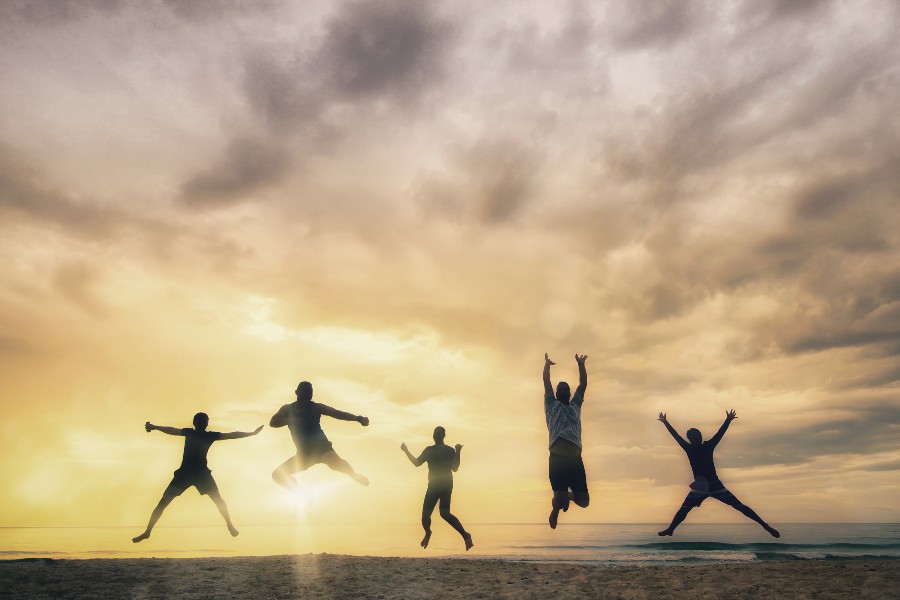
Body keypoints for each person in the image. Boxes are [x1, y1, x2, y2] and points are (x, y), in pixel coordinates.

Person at [132, 413, 263, 543]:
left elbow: (232, 434)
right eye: (198, 421)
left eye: (203, 421)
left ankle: (229, 525)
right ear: (194, 423)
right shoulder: (189, 433)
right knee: (163, 503)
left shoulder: (210, 435)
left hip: (202, 475)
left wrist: (251, 433)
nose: (201, 423)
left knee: (218, 500)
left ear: (207, 423)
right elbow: (172, 430)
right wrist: (155, 427)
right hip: (184, 474)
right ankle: (147, 532)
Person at [657, 410, 780, 538]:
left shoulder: (708, 446)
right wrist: (666, 422)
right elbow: (675, 435)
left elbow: (719, 434)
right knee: (684, 509)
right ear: (690, 439)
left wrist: (728, 420)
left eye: (696, 437)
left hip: (714, 484)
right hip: (699, 487)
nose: (694, 439)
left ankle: (766, 526)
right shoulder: (689, 448)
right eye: (692, 438)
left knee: (739, 506)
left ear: (700, 437)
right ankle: (671, 529)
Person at [270, 380, 370, 491]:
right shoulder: (287, 409)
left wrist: (358, 418)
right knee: (277, 475)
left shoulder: (315, 407)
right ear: (297, 392)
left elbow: (336, 413)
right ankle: (300, 492)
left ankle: (354, 475)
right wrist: (293, 420)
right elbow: (273, 422)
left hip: (322, 450)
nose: (308, 395)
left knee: (336, 464)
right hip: (303, 455)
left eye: (310, 392)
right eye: (305, 392)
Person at [401, 427, 474, 551]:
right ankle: (428, 532)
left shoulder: (450, 450)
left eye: (439, 434)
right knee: (424, 517)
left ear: (443, 435)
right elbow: (417, 463)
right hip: (433, 485)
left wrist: (458, 452)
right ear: (433, 435)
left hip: (446, 484)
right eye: (435, 433)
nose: (436, 436)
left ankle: (465, 535)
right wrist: (406, 451)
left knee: (444, 513)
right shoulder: (429, 450)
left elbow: (455, 468)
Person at [543, 352, 590, 529]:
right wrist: (547, 365)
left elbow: (583, 384)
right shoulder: (550, 404)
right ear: (556, 393)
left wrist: (581, 365)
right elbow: (546, 382)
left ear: (570, 393)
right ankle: (555, 510)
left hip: (575, 460)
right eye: (560, 389)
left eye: (566, 389)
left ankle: (567, 497)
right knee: (560, 501)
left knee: (584, 502)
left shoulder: (576, 404)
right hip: (557, 459)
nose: (563, 391)